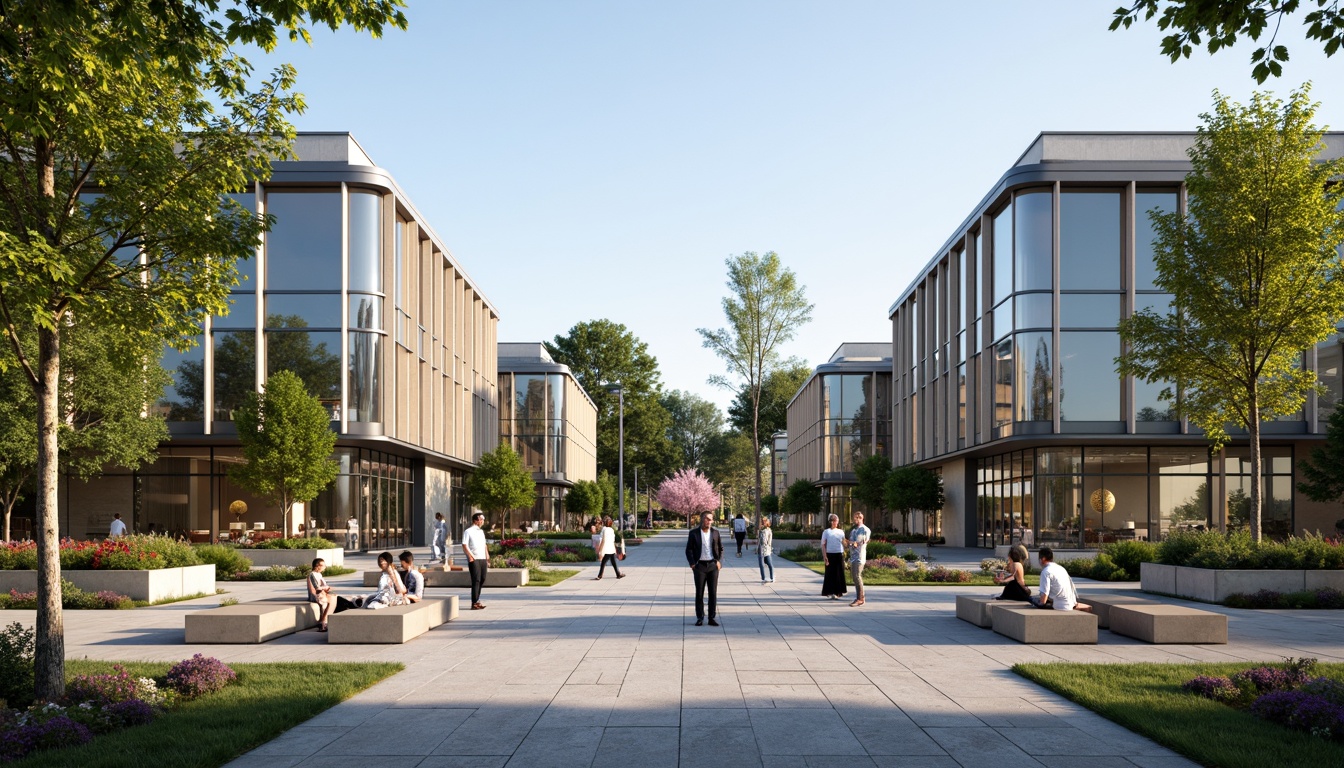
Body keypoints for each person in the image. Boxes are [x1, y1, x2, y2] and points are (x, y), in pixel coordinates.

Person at [685, 511, 723, 626]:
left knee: (713, 593)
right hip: (699, 566)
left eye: (711, 519)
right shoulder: (694, 533)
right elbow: (689, 549)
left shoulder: (715, 533)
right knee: (699, 593)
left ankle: (711, 617)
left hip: (712, 566)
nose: (709, 521)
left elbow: (721, 548)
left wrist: (719, 562)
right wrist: (692, 564)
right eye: (707, 519)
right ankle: (700, 617)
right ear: (702, 519)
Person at [1033, 547, 1092, 612]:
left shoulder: (1046, 572)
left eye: (1039, 558)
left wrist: (1038, 603)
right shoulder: (1061, 568)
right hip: (1071, 603)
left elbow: (1043, 599)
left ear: (1043, 559)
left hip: (1059, 606)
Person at [307, 558, 358, 630]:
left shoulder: (319, 574)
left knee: (335, 597)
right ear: (318, 566)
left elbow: (322, 586)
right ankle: (324, 622)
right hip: (318, 595)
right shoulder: (312, 574)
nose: (325, 567)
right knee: (334, 598)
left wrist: (327, 588)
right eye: (323, 565)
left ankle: (324, 621)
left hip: (323, 594)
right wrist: (325, 587)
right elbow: (317, 588)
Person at [463, 512, 489, 610]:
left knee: (482, 578)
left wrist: (487, 555)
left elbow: (484, 544)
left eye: (482, 519)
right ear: (475, 520)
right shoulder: (468, 531)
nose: (482, 521)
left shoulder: (481, 531)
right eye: (480, 519)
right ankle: (474, 602)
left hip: (482, 558)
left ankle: (477, 600)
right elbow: (464, 545)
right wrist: (469, 556)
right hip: (474, 558)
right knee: (476, 580)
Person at [820, 513, 847, 599]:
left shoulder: (841, 532)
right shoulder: (826, 532)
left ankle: (838, 592)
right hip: (830, 554)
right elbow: (823, 545)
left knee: (839, 573)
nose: (834, 523)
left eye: (835, 521)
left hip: (839, 554)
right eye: (832, 521)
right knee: (830, 573)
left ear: (837, 522)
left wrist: (850, 543)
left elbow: (844, 543)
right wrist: (825, 556)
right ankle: (829, 591)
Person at [847, 512, 871, 607]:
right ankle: (859, 597)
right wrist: (849, 543)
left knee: (857, 576)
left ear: (861, 518)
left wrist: (853, 543)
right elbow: (850, 542)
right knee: (855, 577)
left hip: (860, 557)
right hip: (853, 557)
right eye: (854, 518)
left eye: (856, 518)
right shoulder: (853, 530)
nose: (854, 520)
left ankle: (860, 598)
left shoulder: (865, 529)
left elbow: (861, 541)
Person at [595, 515, 625, 580]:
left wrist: (600, 549)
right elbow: (613, 540)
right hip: (611, 548)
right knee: (613, 562)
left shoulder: (604, 529)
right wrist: (614, 548)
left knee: (603, 562)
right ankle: (618, 574)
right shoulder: (611, 530)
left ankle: (599, 576)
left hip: (607, 548)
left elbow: (603, 540)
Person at [758, 517, 774, 584]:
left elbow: (769, 541)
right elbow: (759, 540)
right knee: (761, 564)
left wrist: (769, 548)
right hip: (760, 549)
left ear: (767, 522)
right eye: (762, 521)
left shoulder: (769, 530)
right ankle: (763, 578)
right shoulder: (760, 530)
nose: (763, 522)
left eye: (764, 521)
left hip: (767, 549)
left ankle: (772, 577)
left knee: (769, 563)